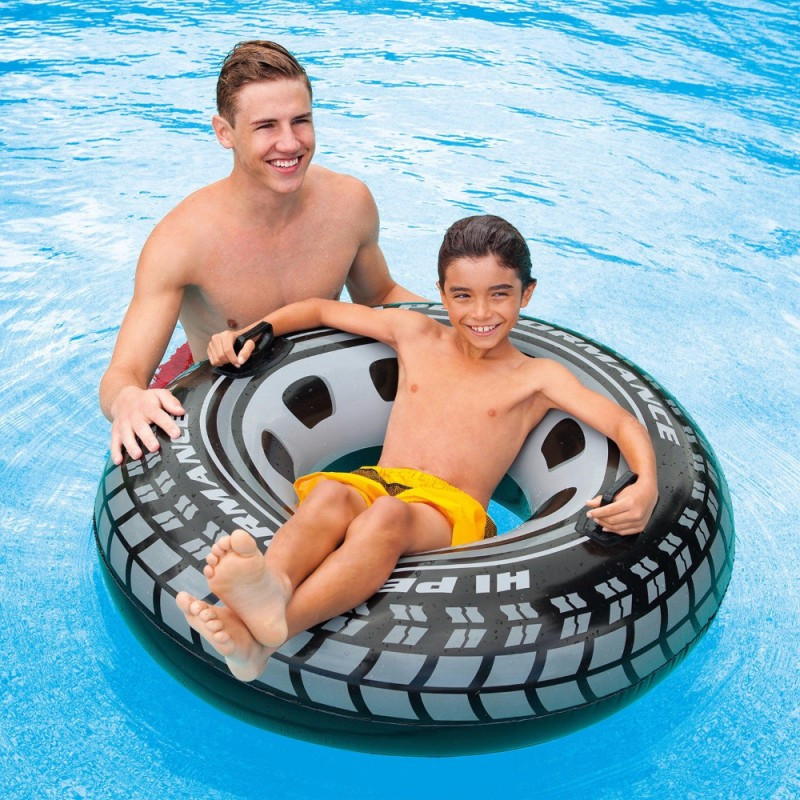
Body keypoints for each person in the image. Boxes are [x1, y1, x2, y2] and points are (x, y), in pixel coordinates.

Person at [175, 214, 660, 682]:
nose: (481, 313)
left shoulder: (535, 377)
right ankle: (272, 588)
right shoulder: (416, 333)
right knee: (329, 495)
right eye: (463, 295)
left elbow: (621, 421)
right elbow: (321, 310)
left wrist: (647, 486)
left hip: (449, 511)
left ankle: (273, 632)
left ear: (526, 294)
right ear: (441, 294)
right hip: (378, 481)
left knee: (386, 517)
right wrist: (257, 331)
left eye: (499, 294)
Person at [99, 40, 420, 466]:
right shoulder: (181, 242)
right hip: (221, 400)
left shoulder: (348, 204)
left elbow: (380, 297)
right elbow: (123, 373)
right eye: (266, 126)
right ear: (224, 132)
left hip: (329, 392)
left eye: (300, 121)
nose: (289, 143)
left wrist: (461, 321)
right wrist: (127, 399)